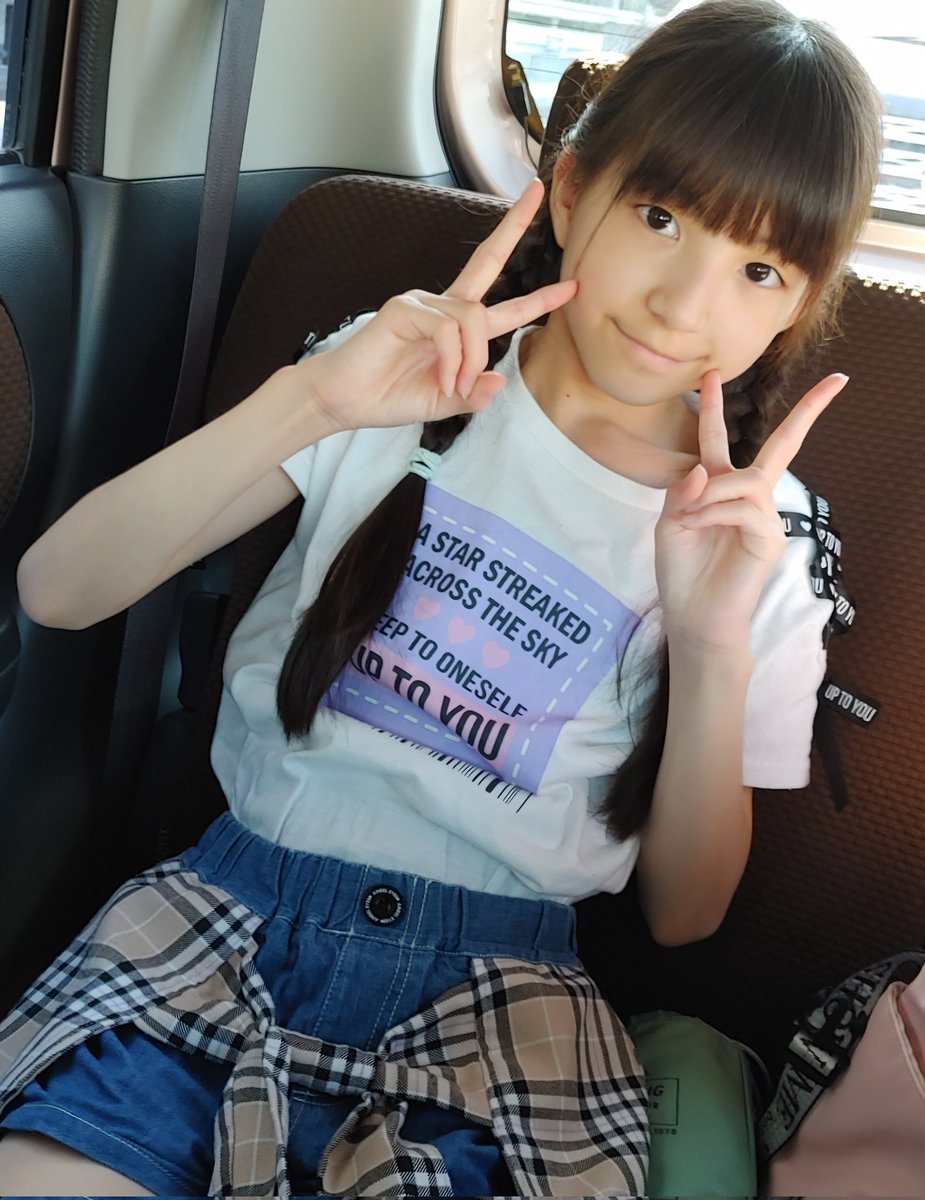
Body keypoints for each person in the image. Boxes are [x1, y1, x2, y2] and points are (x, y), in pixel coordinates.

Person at [0, 0, 882, 1195]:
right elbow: (58, 589)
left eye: (758, 268)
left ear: (794, 306)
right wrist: (315, 400)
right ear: (571, 193)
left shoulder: (757, 543)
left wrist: (713, 642)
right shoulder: (399, 372)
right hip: (219, 920)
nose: (684, 304)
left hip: (500, 1009)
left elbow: (683, 916)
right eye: (659, 217)